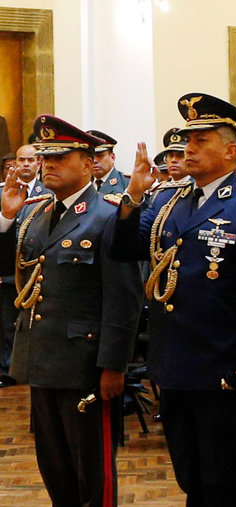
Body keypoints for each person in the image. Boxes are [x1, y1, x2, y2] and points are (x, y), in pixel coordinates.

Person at [105, 93, 236, 506]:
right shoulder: (170, 201)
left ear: (231, 149)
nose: (188, 147)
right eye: (187, 138)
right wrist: (133, 196)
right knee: (190, 474)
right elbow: (124, 248)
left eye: (201, 139)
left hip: (223, 363)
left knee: (226, 477)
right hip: (175, 362)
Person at [0, 115, 143, 505]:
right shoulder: (35, 212)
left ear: (87, 162)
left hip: (86, 365)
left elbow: (124, 299)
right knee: (55, 467)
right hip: (43, 360)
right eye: (45, 157)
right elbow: (13, 272)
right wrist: (6, 217)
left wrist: (114, 366)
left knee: (92, 474)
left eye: (60, 157)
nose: (49, 165)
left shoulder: (109, 215)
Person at [0, 144, 52, 388]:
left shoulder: (49, 192)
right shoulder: (3, 191)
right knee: (7, 323)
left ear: (39, 163)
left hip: (37, 271)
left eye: (31, 160)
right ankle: (8, 368)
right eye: (22, 160)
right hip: (8, 269)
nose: (26, 164)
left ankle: (32, 365)